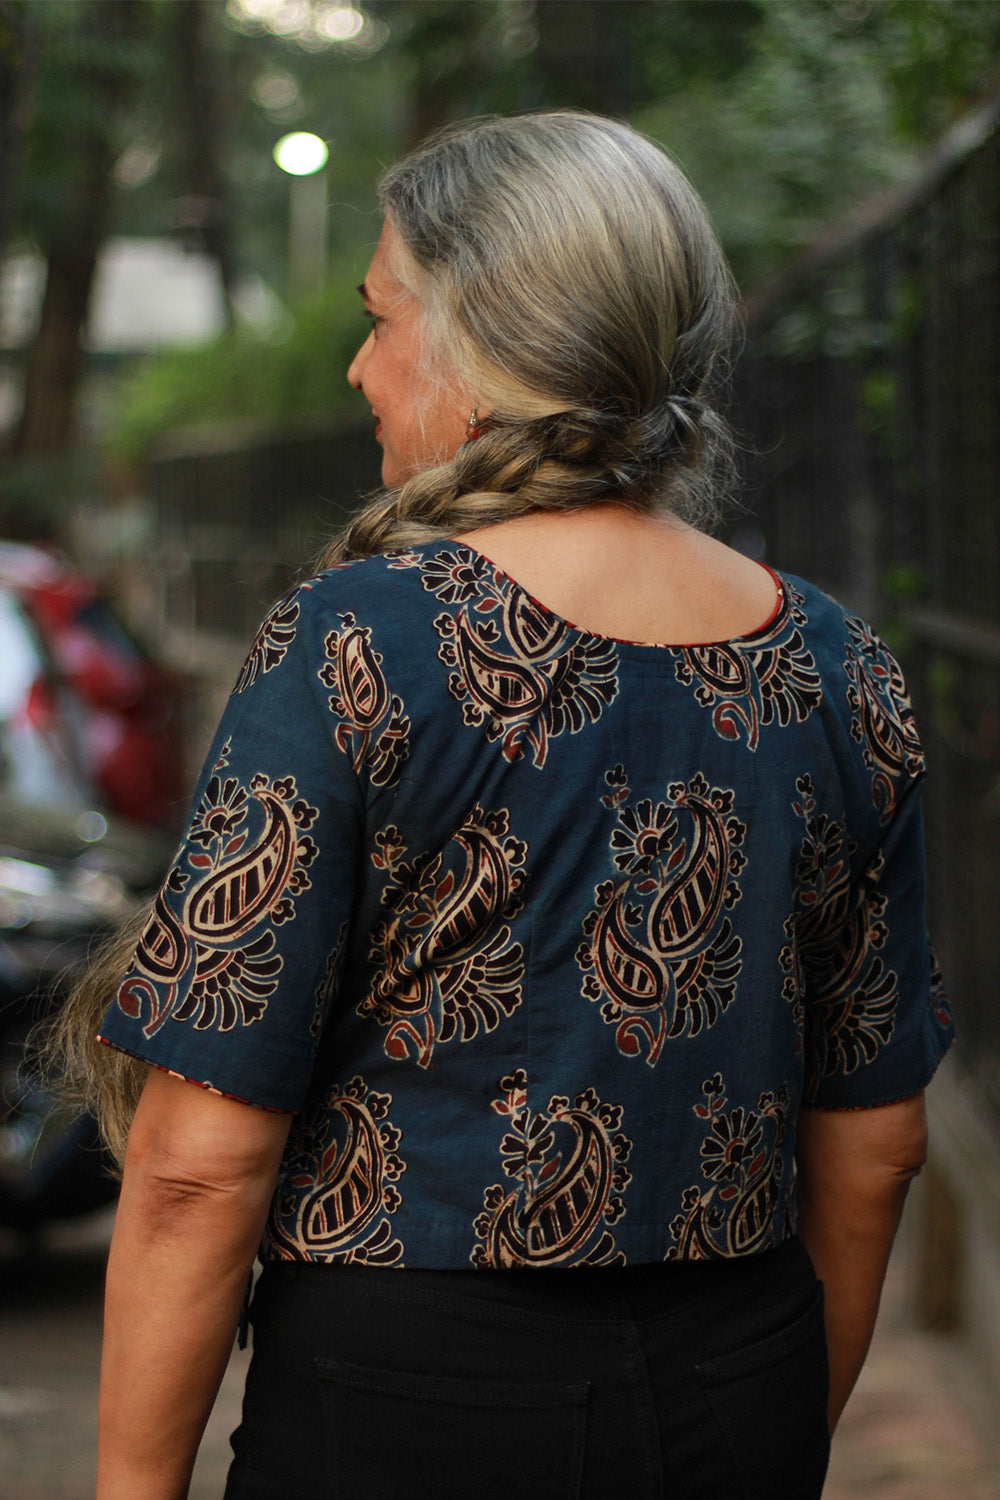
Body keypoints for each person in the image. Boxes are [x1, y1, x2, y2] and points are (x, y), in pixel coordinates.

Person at [60, 111, 953, 1500]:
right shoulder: (840, 666)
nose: (362, 368)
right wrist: (777, 1426)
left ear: (478, 338)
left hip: (411, 1406)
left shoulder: (359, 641)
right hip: (741, 1374)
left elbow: (194, 1165)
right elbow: (879, 1140)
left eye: (381, 316)